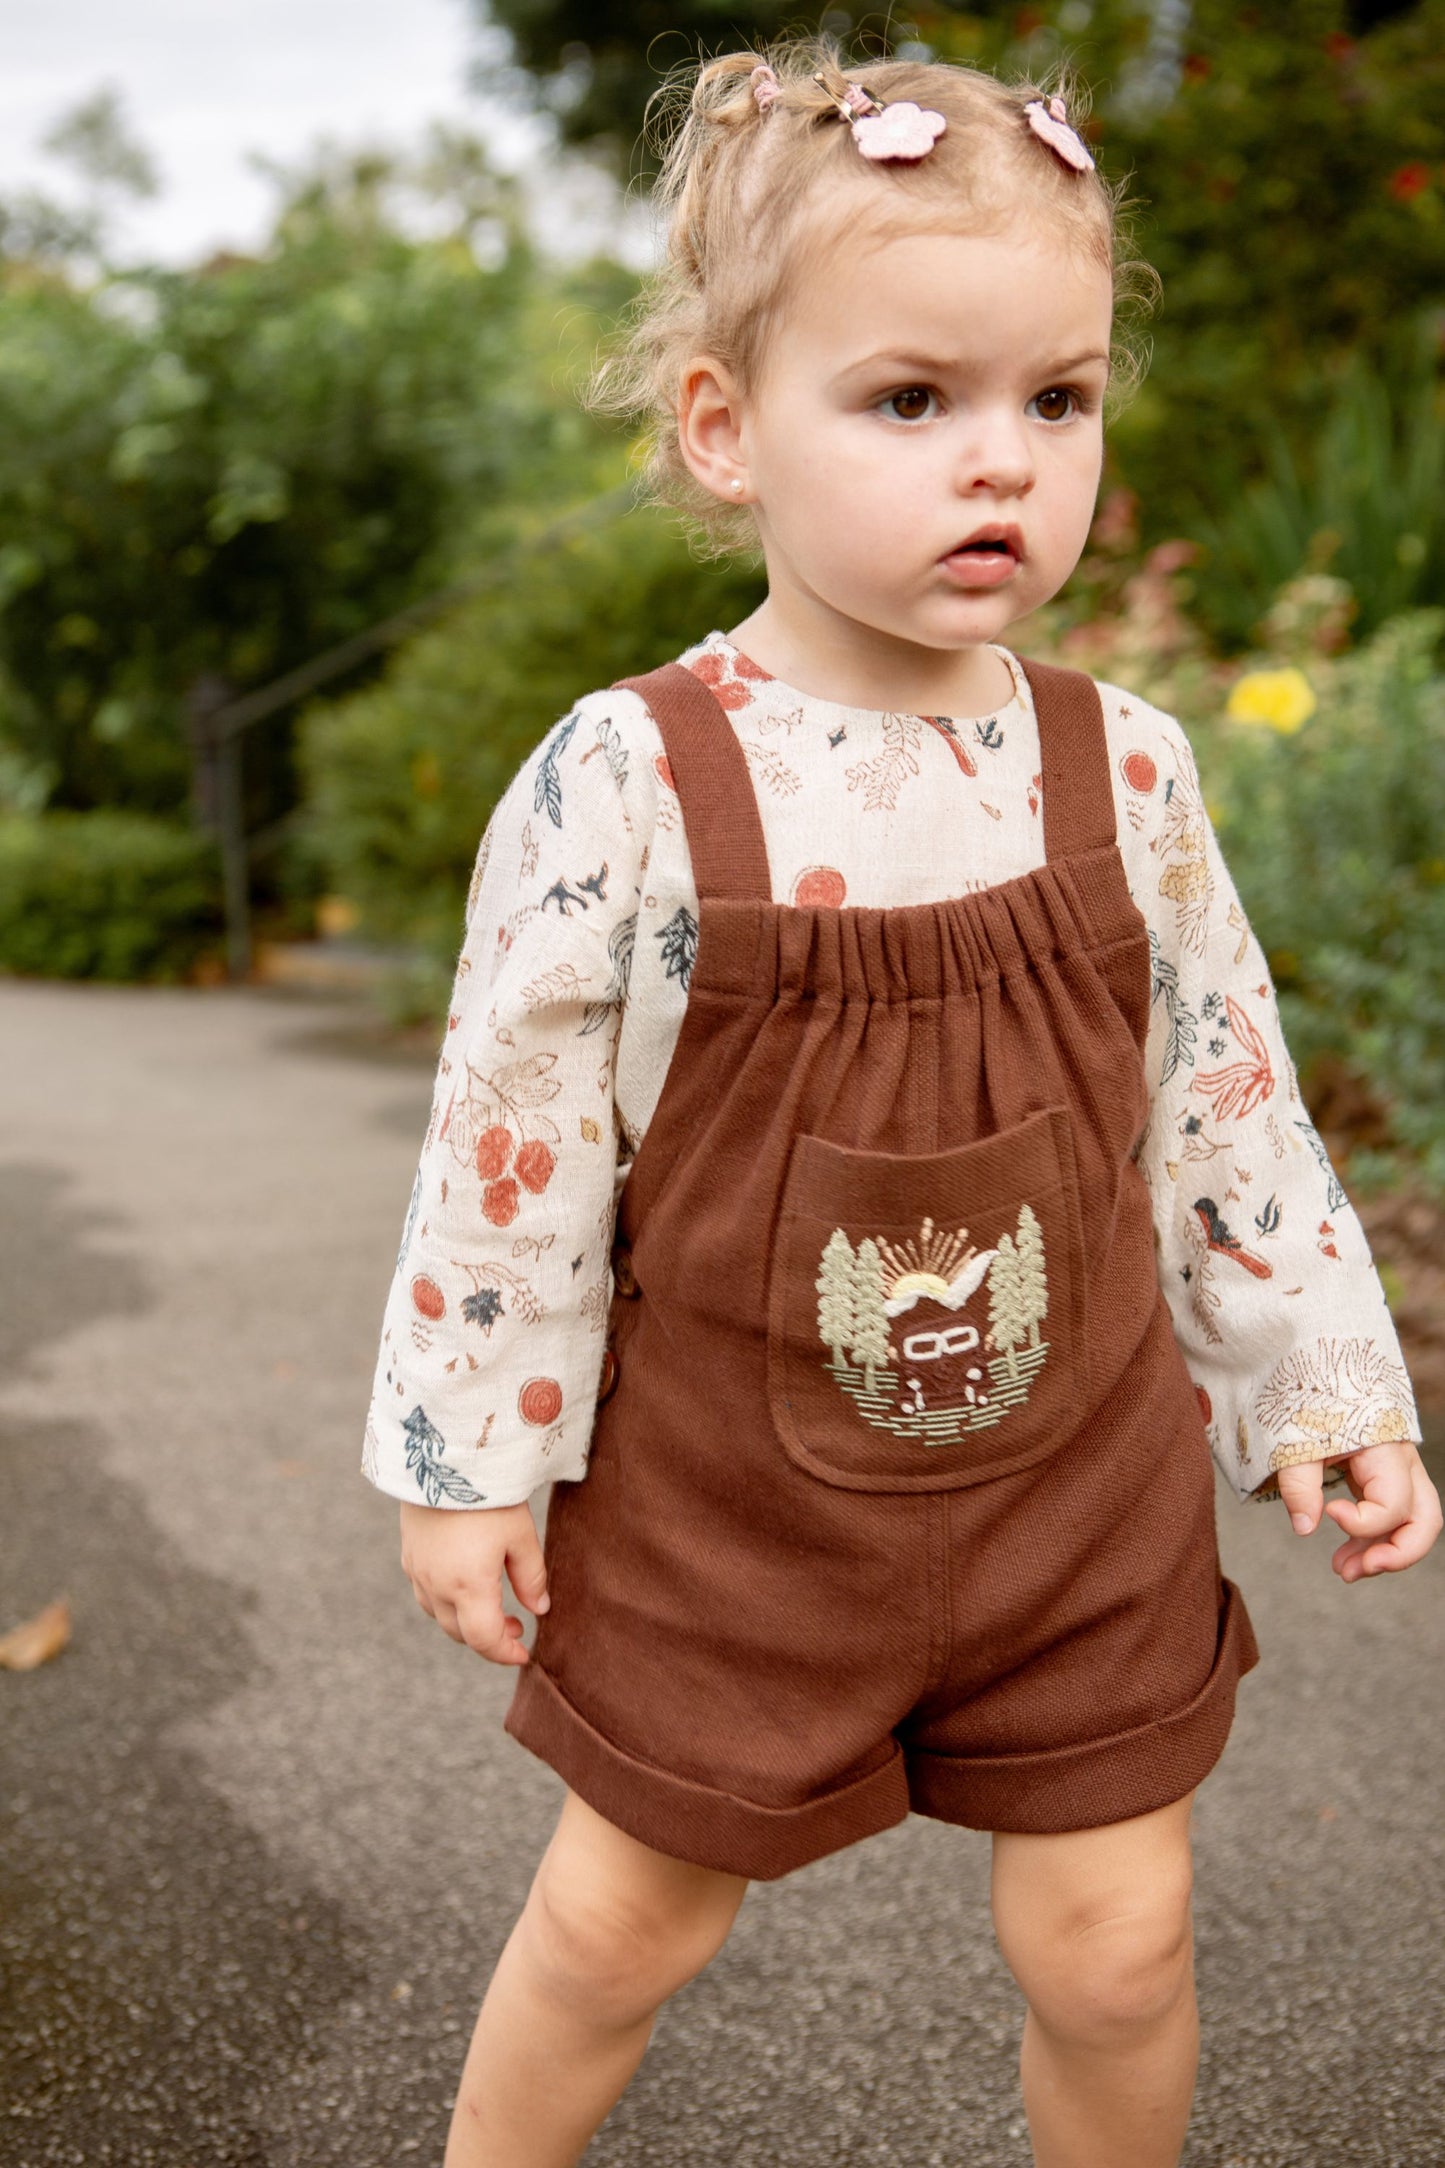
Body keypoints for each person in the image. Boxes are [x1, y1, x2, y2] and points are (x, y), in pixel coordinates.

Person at [360, 41, 1441, 2168]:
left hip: (1079, 1497)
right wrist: (472, 1451)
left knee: (1123, 1944)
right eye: (913, 400)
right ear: (725, 427)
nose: (1004, 467)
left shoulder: (1117, 764)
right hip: (730, 1520)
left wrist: (1325, 1381)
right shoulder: (635, 777)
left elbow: (1221, 1096)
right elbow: (512, 1145)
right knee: (618, 1927)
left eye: (1060, 399)